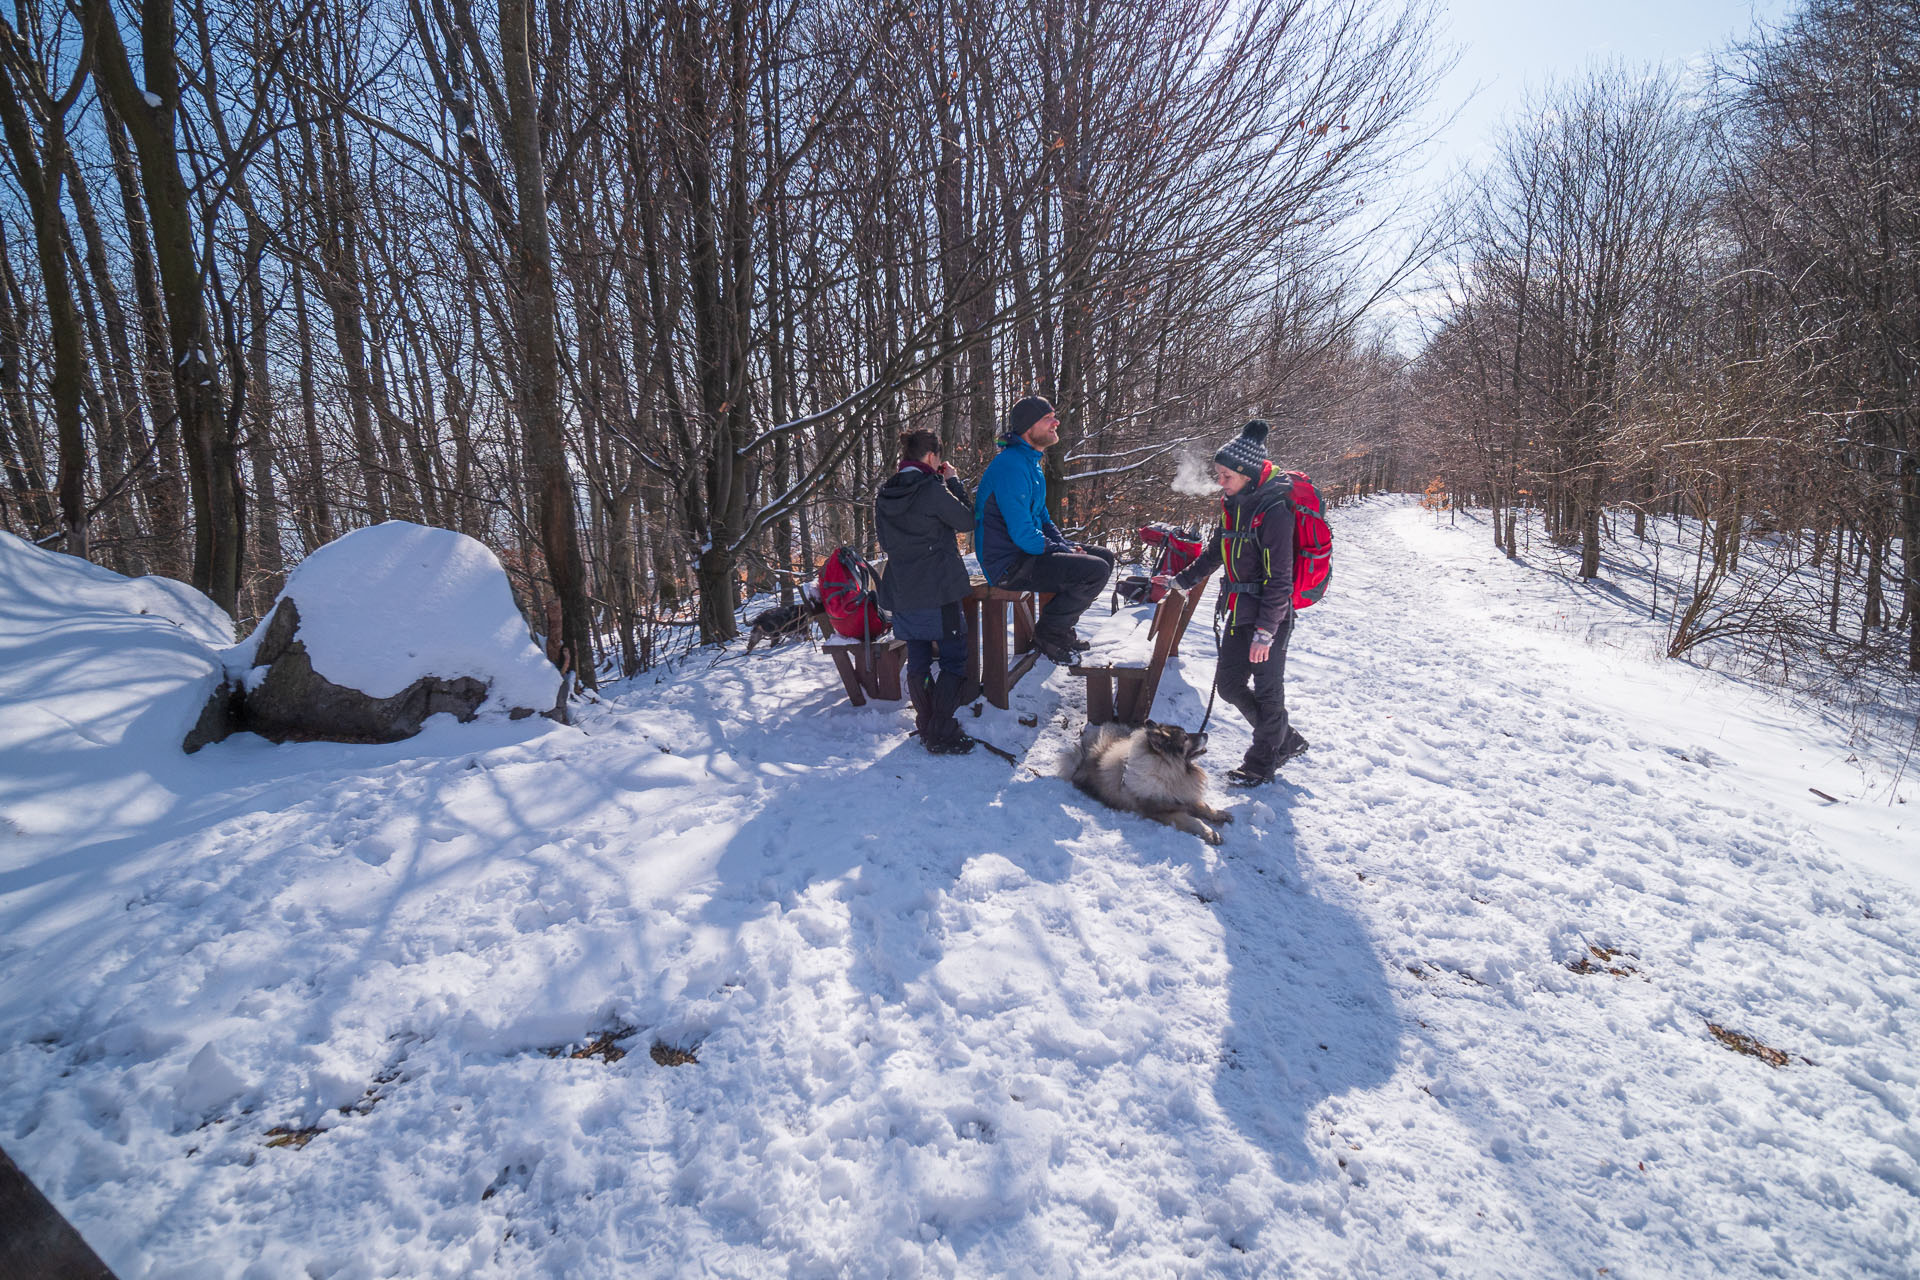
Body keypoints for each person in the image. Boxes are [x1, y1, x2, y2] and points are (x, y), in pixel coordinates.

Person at [1156, 419, 1308, 786]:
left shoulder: (1275, 511)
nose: (1220, 482)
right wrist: (1180, 581)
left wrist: (1266, 632)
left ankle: (1261, 762)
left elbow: (1280, 578)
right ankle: (1285, 740)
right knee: (1229, 685)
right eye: (1218, 475)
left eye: (1226, 475)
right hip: (1240, 611)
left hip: (1269, 617)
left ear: (1246, 473)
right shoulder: (1234, 504)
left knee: (1269, 692)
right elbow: (1214, 554)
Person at [973, 396, 1114, 663]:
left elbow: (1043, 517)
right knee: (1094, 570)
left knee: (1103, 557)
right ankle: (1050, 633)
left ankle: (1061, 629)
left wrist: (1065, 546)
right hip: (1008, 565)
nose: (1056, 422)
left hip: (1026, 554)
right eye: (1048, 418)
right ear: (1029, 427)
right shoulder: (1011, 467)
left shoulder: (1030, 464)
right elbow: (1024, 535)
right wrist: (1061, 549)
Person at [876, 429, 976, 755]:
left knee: (917, 656)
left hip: (902, 589)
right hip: (938, 587)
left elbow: (887, 542)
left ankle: (927, 723)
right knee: (953, 656)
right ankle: (942, 730)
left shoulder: (885, 495)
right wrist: (954, 482)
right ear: (932, 457)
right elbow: (967, 519)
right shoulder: (932, 489)